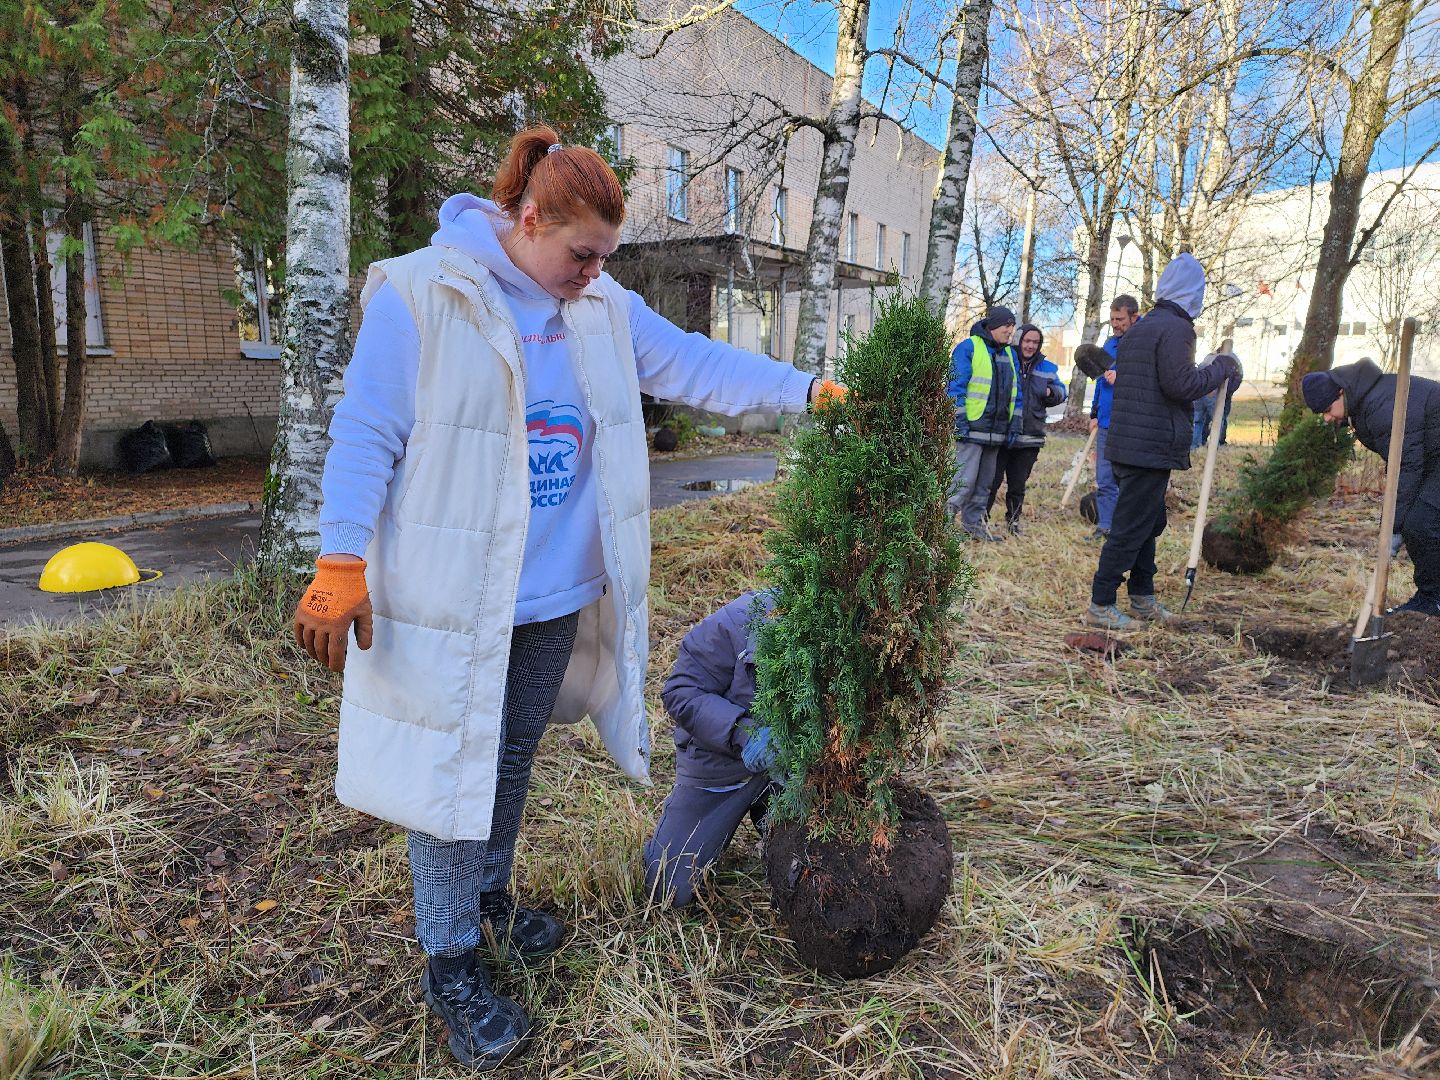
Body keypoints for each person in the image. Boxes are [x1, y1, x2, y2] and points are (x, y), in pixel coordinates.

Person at [290, 126, 836, 1071]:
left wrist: (806, 390)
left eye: (604, 259)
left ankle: (488, 900)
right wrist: (341, 561)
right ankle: (451, 962)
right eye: (581, 254)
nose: (592, 274)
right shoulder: (424, 295)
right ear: (529, 219)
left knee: (505, 761)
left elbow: (699, 366)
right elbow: (366, 430)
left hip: (550, 596)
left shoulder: (599, 307)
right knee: (448, 781)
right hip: (454, 600)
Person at [1086, 254, 1239, 631]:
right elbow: (1181, 384)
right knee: (1130, 527)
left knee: (1149, 522)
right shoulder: (1176, 329)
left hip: (1130, 444)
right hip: (1146, 448)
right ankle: (1101, 602)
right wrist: (1223, 365)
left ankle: (1142, 595)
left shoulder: (1142, 327)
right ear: (1192, 294)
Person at [644, 591, 778, 907]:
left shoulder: (842, 631)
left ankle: (773, 820)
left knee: (818, 866)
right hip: (720, 767)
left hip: (791, 774)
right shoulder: (741, 620)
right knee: (669, 890)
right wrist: (744, 732)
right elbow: (681, 691)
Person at [1303, 359, 1440, 616]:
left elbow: (1406, 467)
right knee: (1419, 521)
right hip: (1429, 457)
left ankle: (1433, 599)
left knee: (1420, 522)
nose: (1327, 417)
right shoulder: (1366, 400)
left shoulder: (1380, 406)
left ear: (1341, 393)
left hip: (1431, 459)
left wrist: (1393, 528)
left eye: (1328, 409)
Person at [986, 323, 1066, 535]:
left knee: (1018, 485)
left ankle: (1013, 522)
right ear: (1019, 340)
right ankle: (981, 520)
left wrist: (1051, 391)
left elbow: (1061, 391)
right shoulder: (1005, 359)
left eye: (1035, 342)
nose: (1030, 346)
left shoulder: (1046, 367)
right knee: (991, 481)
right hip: (1003, 433)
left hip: (1031, 436)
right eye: (1027, 341)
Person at [948, 306, 1019, 542]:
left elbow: (1015, 394)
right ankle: (941, 528)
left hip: (996, 433)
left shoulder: (1010, 354)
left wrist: (1014, 424)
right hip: (971, 430)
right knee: (961, 482)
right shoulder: (969, 347)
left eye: (1012, 325)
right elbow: (956, 387)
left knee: (984, 486)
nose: (1010, 330)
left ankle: (973, 527)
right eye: (1006, 325)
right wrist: (959, 421)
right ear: (992, 326)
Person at [1089, 295, 1139, 541]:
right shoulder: (1109, 345)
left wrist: (1123, 380)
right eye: (1112, 319)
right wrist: (1094, 413)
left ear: (1134, 317)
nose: (1115, 324)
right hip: (1106, 422)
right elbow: (1100, 381)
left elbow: (1147, 382)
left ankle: (1124, 529)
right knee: (1104, 478)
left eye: (1120, 319)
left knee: (1127, 480)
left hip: (1130, 424)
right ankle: (1105, 526)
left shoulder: (1142, 344)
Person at [1191, 349, 1244, 448]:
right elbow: (1238, 376)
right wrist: (1228, 393)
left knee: (1198, 420)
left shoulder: (1208, 357)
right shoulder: (1231, 359)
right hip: (1215, 393)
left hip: (1200, 392)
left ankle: (1195, 445)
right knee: (1218, 419)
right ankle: (1217, 445)